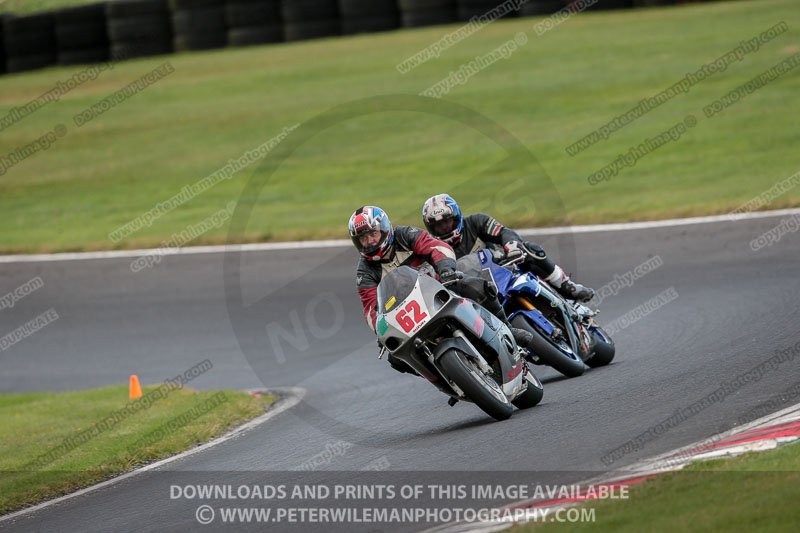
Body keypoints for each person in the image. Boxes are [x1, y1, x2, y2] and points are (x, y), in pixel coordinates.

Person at [348, 205, 535, 375]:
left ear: (385, 229)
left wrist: (445, 270)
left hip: (440, 286)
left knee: (476, 286)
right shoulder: (365, 272)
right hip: (410, 314)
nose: (369, 242)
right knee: (395, 358)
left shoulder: (405, 235)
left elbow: (436, 246)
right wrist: (381, 331)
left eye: (372, 234)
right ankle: (446, 375)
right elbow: (371, 308)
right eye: (363, 239)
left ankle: (510, 332)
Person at [421, 193, 595, 302]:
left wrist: (512, 247)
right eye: (438, 226)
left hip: (506, 267)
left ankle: (566, 285)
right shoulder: (435, 249)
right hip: (479, 291)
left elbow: (504, 232)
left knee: (530, 249)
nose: (444, 228)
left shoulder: (476, 221)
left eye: (447, 222)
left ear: (456, 217)